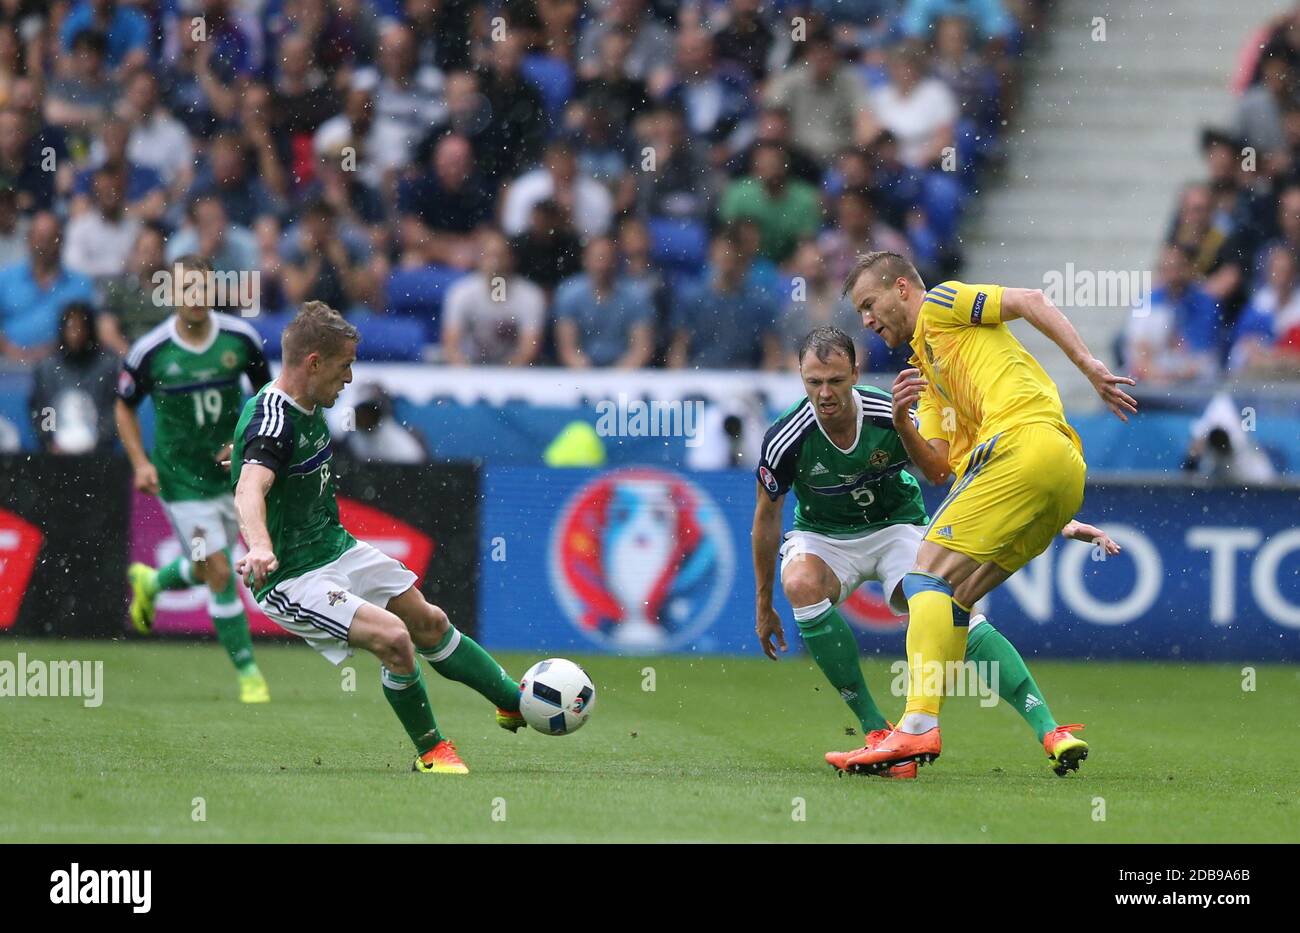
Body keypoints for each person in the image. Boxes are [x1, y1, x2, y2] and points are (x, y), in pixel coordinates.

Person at [753, 326, 1111, 778]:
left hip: (897, 527)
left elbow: (962, 468)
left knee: (949, 605)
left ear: (857, 373)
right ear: (801, 377)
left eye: (836, 381)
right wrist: (764, 604)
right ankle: (874, 731)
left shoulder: (890, 414)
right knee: (800, 584)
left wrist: (1060, 519)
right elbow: (766, 520)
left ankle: (1049, 728)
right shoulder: (785, 437)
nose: (825, 394)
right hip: (824, 537)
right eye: (814, 382)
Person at [839, 251, 1136, 773]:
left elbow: (1031, 300)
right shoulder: (929, 376)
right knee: (957, 602)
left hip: (1024, 444)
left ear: (903, 288)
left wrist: (1088, 366)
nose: (866, 319)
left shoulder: (942, 304)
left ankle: (915, 728)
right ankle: (1042, 729)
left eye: (869, 303)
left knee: (923, 577)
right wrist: (905, 420)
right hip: (1058, 472)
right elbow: (938, 469)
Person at [231, 301, 525, 774]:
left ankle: (512, 700)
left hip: (335, 546)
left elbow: (258, 460)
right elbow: (250, 487)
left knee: (427, 621)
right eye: (344, 366)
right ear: (314, 363)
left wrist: (246, 456)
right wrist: (261, 545)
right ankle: (432, 751)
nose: (349, 379)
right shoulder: (277, 417)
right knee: (393, 639)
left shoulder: (301, 404)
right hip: (291, 576)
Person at [117, 255, 272, 704]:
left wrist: (245, 440)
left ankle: (152, 582)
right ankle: (248, 673)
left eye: (203, 289)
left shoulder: (240, 339)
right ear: (171, 295)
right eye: (187, 290)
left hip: (233, 477)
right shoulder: (150, 350)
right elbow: (123, 404)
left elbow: (266, 395)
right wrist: (140, 462)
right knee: (219, 568)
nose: (196, 298)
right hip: (180, 483)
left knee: (205, 566)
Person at [29, 301, 119, 454]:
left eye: (81, 327)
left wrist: (98, 443)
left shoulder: (107, 367)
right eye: (70, 327)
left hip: (99, 455)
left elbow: (112, 411)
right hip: (56, 455)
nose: (76, 333)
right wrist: (50, 441)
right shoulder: (47, 369)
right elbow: (42, 409)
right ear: (62, 330)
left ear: (90, 330)